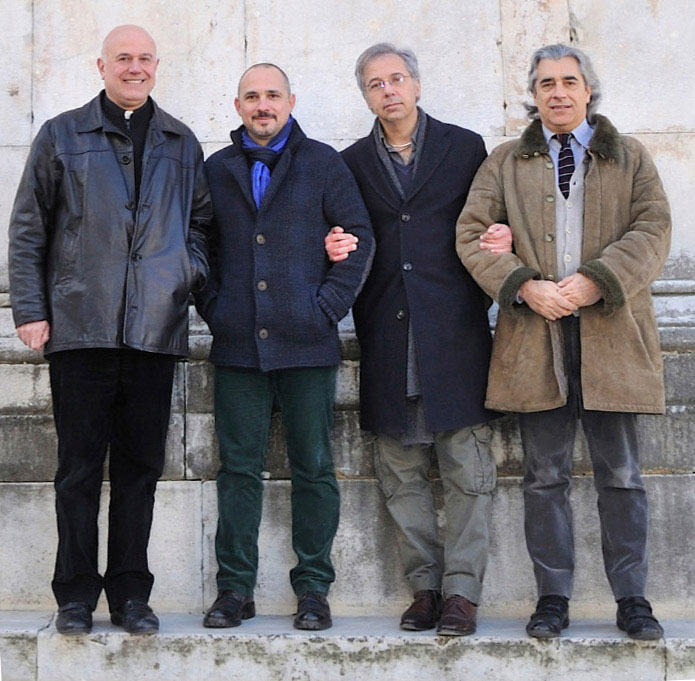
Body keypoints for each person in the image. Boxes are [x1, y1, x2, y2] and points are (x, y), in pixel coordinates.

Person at [457, 44, 670, 640]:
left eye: (568, 82)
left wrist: (591, 283)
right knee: (543, 476)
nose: (557, 92)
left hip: (614, 338)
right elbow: (471, 234)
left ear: (588, 91)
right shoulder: (504, 161)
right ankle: (552, 597)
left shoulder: (630, 157)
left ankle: (632, 598)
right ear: (533, 94)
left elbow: (654, 230)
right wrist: (523, 287)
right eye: (546, 83)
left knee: (622, 475)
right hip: (534, 339)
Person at [8, 25, 211, 635]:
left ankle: (130, 595)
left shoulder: (180, 140)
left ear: (157, 66)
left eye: (145, 58)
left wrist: (183, 273)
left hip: (154, 330)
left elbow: (201, 224)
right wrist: (30, 309)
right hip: (79, 326)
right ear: (102, 66)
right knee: (76, 470)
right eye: (123, 58)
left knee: (139, 471)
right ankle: (74, 596)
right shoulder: (62, 135)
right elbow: (28, 229)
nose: (135, 67)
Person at [325, 43, 511, 636]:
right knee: (399, 472)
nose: (388, 91)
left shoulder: (464, 148)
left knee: (467, 468)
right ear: (366, 95)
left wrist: (504, 236)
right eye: (375, 84)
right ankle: (425, 588)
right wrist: (328, 248)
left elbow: (489, 220)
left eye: (397, 79)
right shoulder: (348, 161)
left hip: (454, 333)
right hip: (386, 334)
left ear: (417, 84)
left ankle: (462, 593)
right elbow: (339, 233)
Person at [196, 63, 374, 631]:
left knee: (314, 468)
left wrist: (325, 308)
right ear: (237, 104)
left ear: (291, 101)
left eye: (273, 95)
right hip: (237, 347)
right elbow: (199, 246)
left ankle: (314, 589)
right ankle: (234, 590)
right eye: (252, 96)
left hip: (308, 346)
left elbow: (359, 238)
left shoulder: (324, 162)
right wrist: (216, 309)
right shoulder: (216, 169)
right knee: (238, 471)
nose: (263, 104)